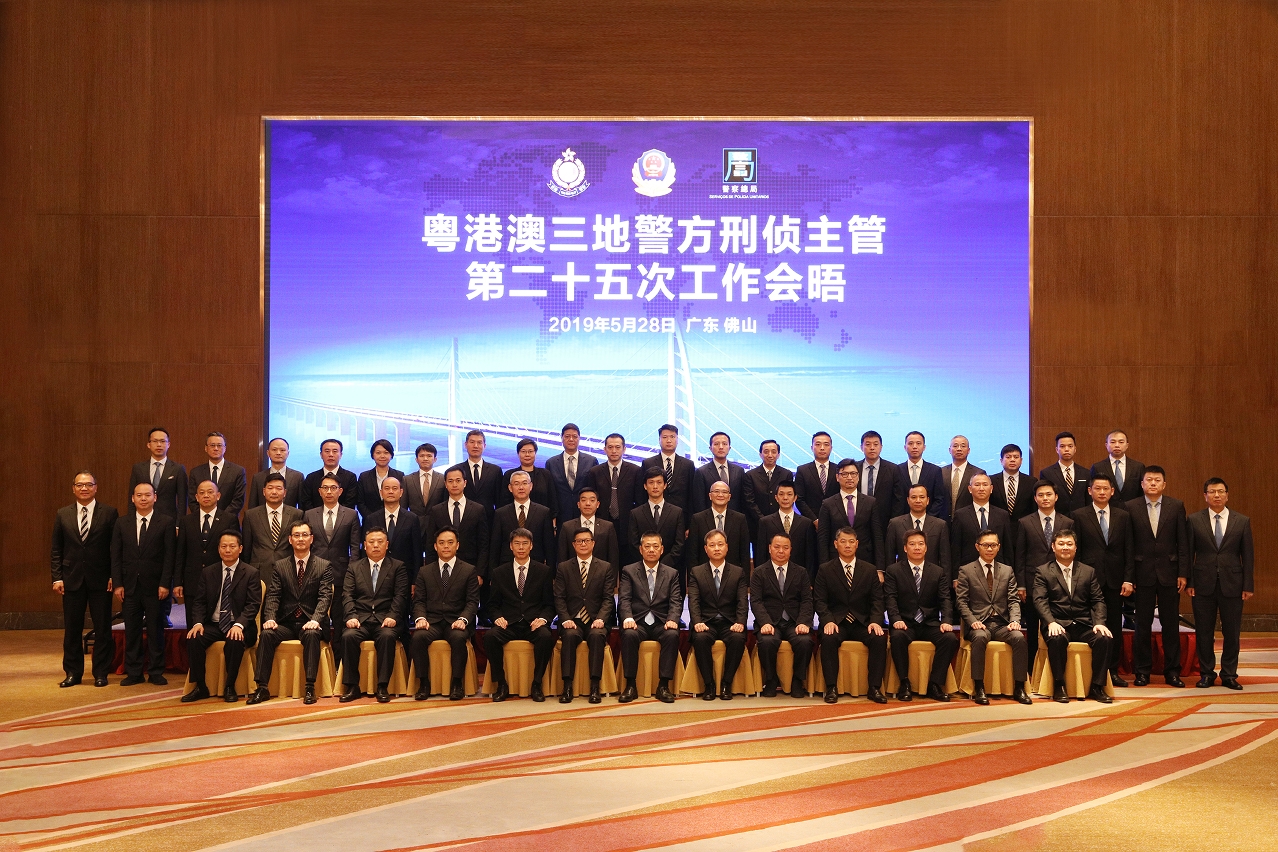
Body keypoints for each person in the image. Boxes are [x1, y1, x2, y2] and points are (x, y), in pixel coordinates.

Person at [247, 521, 332, 706]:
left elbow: (325, 597)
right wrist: (270, 618)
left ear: (311, 539)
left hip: (310, 622)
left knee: (311, 634)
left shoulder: (324, 565)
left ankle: (309, 687)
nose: (300, 539)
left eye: (304, 535)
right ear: (290, 539)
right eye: (296, 535)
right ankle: (262, 687)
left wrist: (316, 620)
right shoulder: (280, 566)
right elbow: (273, 596)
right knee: (267, 634)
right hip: (286, 623)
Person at [51, 471, 119, 688]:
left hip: (101, 580)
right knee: (72, 629)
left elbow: (115, 548)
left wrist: (114, 575)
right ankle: (73, 673)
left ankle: (101, 672)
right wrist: (57, 578)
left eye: (88, 485)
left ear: (96, 487)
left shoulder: (109, 513)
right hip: (71, 579)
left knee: (103, 629)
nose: (84, 488)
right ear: (73, 488)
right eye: (80, 485)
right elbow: (57, 549)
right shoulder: (63, 514)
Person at [1032, 529, 1114, 703]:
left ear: (1076, 547)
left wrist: (1099, 622)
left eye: (1069, 544)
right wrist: (1050, 622)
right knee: (1057, 639)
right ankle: (1059, 685)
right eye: (1061, 544)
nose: (1065, 547)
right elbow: (1040, 600)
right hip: (1057, 624)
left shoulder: (1088, 571)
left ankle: (1097, 687)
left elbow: (1098, 600)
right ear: (1053, 547)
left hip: (1084, 624)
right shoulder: (1043, 571)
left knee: (1104, 638)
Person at [1188, 477, 1254, 690]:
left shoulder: (1241, 521)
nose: (1216, 495)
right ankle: (1206, 674)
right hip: (1202, 584)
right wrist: (1189, 581)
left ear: (1227, 495)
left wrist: (1248, 585)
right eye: (1212, 492)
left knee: (1232, 632)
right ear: (1205, 495)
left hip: (1233, 584)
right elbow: (1188, 554)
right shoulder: (1194, 520)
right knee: (1204, 632)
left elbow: (1248, 555)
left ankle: (1229, 674)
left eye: (1220, 491)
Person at [1126, 465, 1189, 687]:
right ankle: (1142, 671)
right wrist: (1129, 576)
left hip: (1169, 574)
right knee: (1142, 625)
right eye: (1149, 480)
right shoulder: (1130, 507)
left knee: (1170, 624)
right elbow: (1128, 546)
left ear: (1164, 484)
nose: (1153, 483)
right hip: (1141, 574)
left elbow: (1183, 543)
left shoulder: (1176, 506)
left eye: (1157, 480)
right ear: (1142, 484)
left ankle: (1172, 672)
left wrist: (1183, 573)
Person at [181, 530, 261, 703]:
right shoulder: (208, 572)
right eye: (223, 546)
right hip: (214, 624)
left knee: (234, 640)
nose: (227, 550)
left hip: (240, 625)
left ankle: (230, 686)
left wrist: (239, 625)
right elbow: (199, 602)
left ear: (240, 549)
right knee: (194, 638)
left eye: (232, 546)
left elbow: (253, 605)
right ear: (218, 549)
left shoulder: (250, 572)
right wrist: (198, 623)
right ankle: (201, 686)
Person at [1069, 472, 1134, 686]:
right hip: (1088, 580)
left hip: (1115, 580)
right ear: (1090, 491)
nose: (1102, 492)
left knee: (1113, 625)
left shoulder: (1123, 516)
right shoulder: (1079, 515)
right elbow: (1076, 551)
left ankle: (1112, 671)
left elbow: (1129, 549)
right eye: (1097, 488)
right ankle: (1091, 670)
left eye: (1106, 488)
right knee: (1089, 625)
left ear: (1112, 491)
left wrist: (1128, 579)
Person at [954, 531, 1032, 705]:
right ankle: (979, 687)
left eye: (993, 545)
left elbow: (1013, 600)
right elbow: (961, 602)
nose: (989, 549)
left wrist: (1015, 620)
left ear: (998, 547)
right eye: (986, 545)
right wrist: (973, 621)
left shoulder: (1007, 570)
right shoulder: (966, 570)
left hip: (1002, 623)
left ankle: (1019, 687)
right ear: (977, 547)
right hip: (978, 623)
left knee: (1019, 638)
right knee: (980, 638)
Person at [111, 482, 175, 686]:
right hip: (129, 586)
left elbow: (169, 557)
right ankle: (134, 672)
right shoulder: (122, 523)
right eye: (139, 495)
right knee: (132, 630)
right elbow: (116, 556)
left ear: (155, 497)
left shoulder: (165, 522)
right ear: (133, 498)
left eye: (147, 495)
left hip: (156, 587)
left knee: (156, 630)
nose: (143, 498)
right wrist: (118, 584)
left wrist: (165, 583)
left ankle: (156, 671)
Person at [813, 527, 887, 704]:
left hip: (862, 623)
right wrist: (827, 620)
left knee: (879, 638)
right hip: (837, 622)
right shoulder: (825, 570)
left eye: (851, 541)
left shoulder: (869, 570)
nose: (847, 545)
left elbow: (877, 600)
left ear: (857, 544)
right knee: (829, 638)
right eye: (843, 541)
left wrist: (876, 621)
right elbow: (819, 601)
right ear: (835, 544)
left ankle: (874, 688)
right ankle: (831, 687)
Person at [885, 530, 959, 702]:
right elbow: (890, 598)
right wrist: (896, 619)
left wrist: (947, 620)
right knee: (897, 637)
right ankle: (904, 683)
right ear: (905, 548)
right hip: (905, 623)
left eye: (920, 544)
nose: (917, 548)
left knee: (950, 639)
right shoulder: (894, 570)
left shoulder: (937, 571)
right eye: (912, 544)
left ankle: (935, 684)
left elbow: (945, 599)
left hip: (929, 623)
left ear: (926, 548)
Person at [483, 528, 555, 702]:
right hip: (509, 624)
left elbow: (550, 605)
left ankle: (536, 684)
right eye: (517, 543)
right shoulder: (499, 572)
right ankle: (501, 684)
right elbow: (492, 604)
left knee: (546, 637)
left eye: (524, 543)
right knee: (490, 637)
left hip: (533, 624)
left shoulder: (544, 571)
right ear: (511, 546)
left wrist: (543, 619)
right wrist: (497, 617)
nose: (521, 547)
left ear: (531, 546)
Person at [409, 526, 480, 701]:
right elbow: (418, 601)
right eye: (441, 543)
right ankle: (424, 683)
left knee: (458, 637)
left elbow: (472, 602)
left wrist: (463, 619)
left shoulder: (469, 570)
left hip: (456, 621)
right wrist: (420, 618)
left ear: (457, 545)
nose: (446, 546)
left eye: (450, 542)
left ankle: (456, 684)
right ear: (435, 546)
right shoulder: (425, 571)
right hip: (432, 621)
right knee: (418, 637)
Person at [340, 528, 408, 703]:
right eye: (371, 542)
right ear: (365, 545)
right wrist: (351, 616)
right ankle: (352, 686)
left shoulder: (398, 567)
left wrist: (393, 616)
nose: (375, 545)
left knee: (387, 637)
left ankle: (382, 686)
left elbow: (401, 595)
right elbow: (347, 595)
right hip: (361, 619)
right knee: (348, 636)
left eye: (380, 541)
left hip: (386, 619)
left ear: (387, 544)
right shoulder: (354, 567)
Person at [1014, 480, 1075, 667]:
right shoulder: (1025, 522)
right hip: (1032, 582)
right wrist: (1021, 584)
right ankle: (1033, 668)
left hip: (1060, 582)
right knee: (1033, 627)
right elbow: (1020, 556)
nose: (1045, 498)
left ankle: (1056, 666)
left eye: (1049, 494)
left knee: (1057, 626)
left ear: (1056, 497)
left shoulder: (1068, 522)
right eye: (1040, 495)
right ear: (1035, 498)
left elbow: (1072, 554)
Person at [553, 528, 617, 703]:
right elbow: (559, 598)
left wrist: (601, 618)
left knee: (597, 636)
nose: (583, 544)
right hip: (572, 620)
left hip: (596, 619)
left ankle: (595, 687)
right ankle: (567, 687)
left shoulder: (605, 567)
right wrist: (566, 619)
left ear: (593, 543)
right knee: (569, 636)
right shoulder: (564, 567)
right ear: (573, 545)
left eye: (586, 540)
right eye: (579, 541)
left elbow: (608, 598)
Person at [617, 531, 682, 704]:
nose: (651, 550)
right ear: (641, 549)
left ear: (662, 549)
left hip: (661, 622)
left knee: (672, 635)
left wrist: (672, 619)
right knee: (628, 634)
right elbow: (624, 599)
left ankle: (663, 686)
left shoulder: (672, 573)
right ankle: (630, 685)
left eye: (655, 546)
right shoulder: (629, 571)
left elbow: (676, 601)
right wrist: (627, 618)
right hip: (637, 622)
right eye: (647, 546)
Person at [686, 530, 749, 700]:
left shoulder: (738, 572)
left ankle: (727, 683)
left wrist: (740, 622)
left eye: (720, 544)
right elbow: (693, 601)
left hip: (730, 622)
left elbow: (742, 601)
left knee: (738, 638)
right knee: (700, 638)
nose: (716, 548)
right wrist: (697, 622)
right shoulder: (697, 572)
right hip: (706, 622)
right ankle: (709, 684)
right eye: (712, 545)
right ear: (705, 549)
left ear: (727, 547)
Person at [750, 533, 813, 698]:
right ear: (769, 548)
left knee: (805, 641)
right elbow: (756, 601)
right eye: (777, 547)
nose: (781, 551)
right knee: (767, 641)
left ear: (791, 550)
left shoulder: (801, 572)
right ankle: (771, 680)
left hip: (794, 621)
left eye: (785, 548)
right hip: (770, 621)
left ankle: (797, 681)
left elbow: (807, 600)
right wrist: (764, 622)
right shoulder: (759, 572)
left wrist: (803, 622)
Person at [303, 473, 361, 641]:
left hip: (341, 573)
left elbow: (355, 547)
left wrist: (352, 572)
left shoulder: (351, 514)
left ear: (340, 491)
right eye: (325, 488)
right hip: (315, 573)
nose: (329, 491)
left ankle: (338, 655)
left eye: (333, 488)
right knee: (317, 619)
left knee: (339, 618)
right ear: (320, 491)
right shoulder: (309, 514)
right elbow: (306, 545)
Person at [175, 479, 241, 610]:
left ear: (218, 496)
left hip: (221, 579)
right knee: (193, 620)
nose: (206, 495)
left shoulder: (229, 519)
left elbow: (236, 551)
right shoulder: (186, 521)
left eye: (210, 492)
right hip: (192, 581)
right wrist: (177, 582)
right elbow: (180, 553)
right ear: (196, 497)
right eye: (202, 493)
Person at [424, 467, 490, 582]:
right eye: (450, 481)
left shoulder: (478, 509)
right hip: (442, 569)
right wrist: (431, 572)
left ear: (465, 483)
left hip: (471, 568)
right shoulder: (436, 510)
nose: (454, 484)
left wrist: (480, 572)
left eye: (458, 480)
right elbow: (430, 543)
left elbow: (483, 544)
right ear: (445, 484)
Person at [950, 473, 1015, 583]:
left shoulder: (1002, 515)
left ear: (991, 488)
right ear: (970, 489)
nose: (981, 488)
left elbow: (1008, 547)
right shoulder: (960, 515)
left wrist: (1010, 575)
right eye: (977, 485)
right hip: (968, 572)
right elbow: (956, 548)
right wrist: (956, 577)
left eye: (985, 484)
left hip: (998, 572)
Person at [588, 433, 643, 563]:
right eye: (610, 447)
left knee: (627, 564)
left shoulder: (635, 471)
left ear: (624, 449)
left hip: (627, 525)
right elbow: (591, 499)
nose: (614, 451)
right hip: (602, 524)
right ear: (604, 449)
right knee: (603, 563)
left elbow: (640, 500)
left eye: (618, 447)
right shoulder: (595, 472)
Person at [818, 461, 884, 569]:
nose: (849, 477)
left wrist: (880, 568)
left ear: (858, 476)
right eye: (844, 474)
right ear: (837, 477)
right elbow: (823, 539)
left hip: (865, 560)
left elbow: (877, 536)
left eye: (853, 473)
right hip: (835, 561)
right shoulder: (828, 504)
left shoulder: (870, 502)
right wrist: (824, 567)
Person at [242, 473, 303, 586]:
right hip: (258, 573)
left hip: (288, 571)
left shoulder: (296, 514)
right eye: (270, 488)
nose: (274, 492)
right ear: (264, 491)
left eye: (278, 488)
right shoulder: (251, 515)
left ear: (285, 492)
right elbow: (246, 548)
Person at [490, 469, 556, 566]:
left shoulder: (543, 512)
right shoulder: (500, 513)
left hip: (536, 565)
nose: (521, 487)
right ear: (510, 488)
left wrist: (551, 572)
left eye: (525, 483)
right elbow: (495, 546)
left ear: (531, 486)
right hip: (507, 566)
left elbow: (549, 546)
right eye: (516, 484)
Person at [884, 484, 950, 579]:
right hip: (902, 579)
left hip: (932, 579)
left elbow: (945, 559)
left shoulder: (940, 525)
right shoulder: (895, 524)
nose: (918, 500)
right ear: (908, 500)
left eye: (922, 497)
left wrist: (945, 583)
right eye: (914, 497)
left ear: (928, 500)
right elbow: (889, 555)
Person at [755, 482, 818, 580]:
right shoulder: (765, 522)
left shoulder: (806, 523)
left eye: (789, 494)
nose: (785, 498)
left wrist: (809, 580)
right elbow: (761, 553)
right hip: (771, 577)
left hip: (799, 577)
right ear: (776, 497)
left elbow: (810, 556)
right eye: (781, 494)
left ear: (795, 498)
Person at [363, 476, 422, 579]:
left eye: (394, 488)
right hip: (377, 575)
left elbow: (417, 552)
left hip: (405, 575)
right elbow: (365, 550)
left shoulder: (412, 518)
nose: (391, 491)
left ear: (401, 492)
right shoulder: (371, 519)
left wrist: (415, 580)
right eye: (387, 488)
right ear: (381, 492)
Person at [686, 481, 751, 574]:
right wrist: (693, 578)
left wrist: (744, 580)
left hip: (733, 575)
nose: (720, 495)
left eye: (724, 492)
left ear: (729, 497)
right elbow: (693, 553)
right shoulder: (698, 519)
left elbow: (744, 553)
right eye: (716, 491)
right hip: (704, 575)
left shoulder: (740, 519)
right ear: (710, 496)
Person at [628, 468, 686, 571]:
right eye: (651, 482)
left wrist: (662, 565)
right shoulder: (635, 513)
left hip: (670, 569)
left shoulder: (677, 512)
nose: (655, 486)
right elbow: (633, 544)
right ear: (645, 486)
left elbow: (679, 544)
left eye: (659, 482)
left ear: (665, 485)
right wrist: (649, 563)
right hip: (643, 569)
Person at [128, 426, 187, 521]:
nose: (159, 444)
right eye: (155, 441)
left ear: (168, 444)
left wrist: (179, 524)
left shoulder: (178, 469)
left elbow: (182, 500)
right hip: (143, 519)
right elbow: (132, 496)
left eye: (163, 441)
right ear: (148, 444)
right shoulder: (138, 468)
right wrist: (131, 520)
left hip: (169, 519)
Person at [556, 487, 620, 571]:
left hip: (601, 574)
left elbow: (613, 558)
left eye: (592, 500)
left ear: (598, 504)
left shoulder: (607, 527)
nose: (588, 503)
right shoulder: (567, 527)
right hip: (573, 574)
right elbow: (562, 557)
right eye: (583, 500)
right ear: (578, 504)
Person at [546, 423, 598, 526]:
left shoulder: (591, 461)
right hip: (561, 515)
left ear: (579, 438)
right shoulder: (551, 463)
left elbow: (595, 489)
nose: (571, 439)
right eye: (567, 436)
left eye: (574, 436)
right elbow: (550, 492)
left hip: (585, 514)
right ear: (561, 438)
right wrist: (552, 516)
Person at [188, 431, 247, 517]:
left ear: (225, 448)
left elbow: (238, 500)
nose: (216, 448)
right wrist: (206, 517)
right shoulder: (196, 472)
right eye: (212, 445)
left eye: (219, 445)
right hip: (203, 521)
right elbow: (192, 500)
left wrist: (221, 518)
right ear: (206, 448)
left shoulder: (237, 471)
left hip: (228, 521)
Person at [744, 439, 794, 538]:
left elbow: (788, 499)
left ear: (778, 455)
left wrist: (777, 520)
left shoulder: (786, 474)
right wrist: (763, 520)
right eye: (766, 452)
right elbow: (750, 501)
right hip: (757, 525)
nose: (770, 455)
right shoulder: (750, 475)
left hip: (781, 524)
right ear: (760, 454)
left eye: (774, 452)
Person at [640, 423, 695, 511]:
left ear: (677, 440)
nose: (669, 440)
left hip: (681, 513)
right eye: (665, 437)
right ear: (659, 440)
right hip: (655, 512)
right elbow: (642, 493)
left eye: (672, 437)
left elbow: (692, 494)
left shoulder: (688, 465)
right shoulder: (648, 463)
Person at [449, 429, 503, 517]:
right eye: (472, 442)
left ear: (484, 446)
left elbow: (499, 501)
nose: (475, 446)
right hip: (463, 518)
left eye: (479, 442)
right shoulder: (456, 470)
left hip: (488, 519)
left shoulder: (495, 471)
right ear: (465, 445)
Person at [692, 432, 747, 515]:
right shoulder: (701, 472)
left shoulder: (739, 471)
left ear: (729, 448)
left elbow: (743, 499)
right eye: (716, 444)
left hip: (735, 518)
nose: (721, 447)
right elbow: (699, 501)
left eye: (724, 444)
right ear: (710, 448)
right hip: (709, 518)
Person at [857, 430, 902, 533]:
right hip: (858, 521)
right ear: (861, 447)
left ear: (881, 447)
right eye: (868, 444)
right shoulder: (854, 468)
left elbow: (898, 499)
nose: (872, 447)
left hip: (885, 522)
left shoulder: (893, 469)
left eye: (876, 444)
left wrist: (893, 523)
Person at [499, 438, 558, 517]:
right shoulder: (509, 475)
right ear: (518, 454)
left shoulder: (545, 474)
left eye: (530, 451)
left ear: (535, 453)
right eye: (523, 451)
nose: (527, 455)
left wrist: (553, 520)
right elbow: (504, 502)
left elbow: (553, 501)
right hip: (515, 518)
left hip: (542, 519)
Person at [1039, 431, 1090, 514]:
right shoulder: (1047, 473)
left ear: (1075, 449)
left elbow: (1088, 499)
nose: (1066, 449)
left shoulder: (1086, 473)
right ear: (1057, 449)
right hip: (1057, 518)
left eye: (1070, 446)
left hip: (1081, 517)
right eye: (1062, 446)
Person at [896, 431, 946, 518]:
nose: (914, 446)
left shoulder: (935, 470)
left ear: (924, 447)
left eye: (918, 443)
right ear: (905, 447)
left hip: (928, 520)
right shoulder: (897, 470)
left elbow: (939, 499)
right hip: (902, 521)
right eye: (910, 443)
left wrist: (926, 519)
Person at [301, 438, 359, 511]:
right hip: (315, 517)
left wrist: (335, 515)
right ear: (321, 455)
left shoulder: (350, 477)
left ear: (341, 455)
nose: (331, 455)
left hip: (343, 517)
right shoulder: (311, 478)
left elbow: (350, 503)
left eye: (335, 451)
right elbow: (306, 502)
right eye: (327, 451)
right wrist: (319, 515)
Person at [1090, 429, 1145, 505]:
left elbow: (1142, 492)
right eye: (1113, 442)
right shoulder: (1098, 467)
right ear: (1106, 445)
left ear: (1127, 445)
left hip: (1132, 509)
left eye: (1121, 442)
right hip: (1107, 509)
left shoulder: (1138, 467)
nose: (1117, 445)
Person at [248, 437, 304, 510]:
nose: (278, 453)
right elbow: (252, 506)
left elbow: (302, 505)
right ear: (268, 453)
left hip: (291, 517)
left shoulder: (297, 477)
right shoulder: (258, 478)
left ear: (288, 453)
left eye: (282, 450)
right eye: (274, 450)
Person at [356, 439, 405, 522]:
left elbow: (403, 501)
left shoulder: (399, 475)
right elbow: (360, 503)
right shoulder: (364, 477)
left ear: (391, 455)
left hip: (394, 522)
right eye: (378, 453)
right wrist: (372, 519)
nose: (382, 456)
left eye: (386, 452)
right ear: (372, 455)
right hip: (370, 523)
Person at [939, 435, 984, 522]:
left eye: (963, 446)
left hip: (968, 521)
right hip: (943, 521)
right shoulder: (940, 472)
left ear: (968, 450)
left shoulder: (978, 473)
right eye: (955, 446)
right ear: (949, 450)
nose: (959, 449)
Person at [794, 431, 837, 521]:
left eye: (826, 444)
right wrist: (814, 520)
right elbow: (799, 499)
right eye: (818, 444)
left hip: (835, 520)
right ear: (812, 448)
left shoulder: (838, 470)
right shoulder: (802, 470)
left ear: (831, 448)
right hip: (810, 522)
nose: (822, 448)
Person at [990, 444, 1036, 521]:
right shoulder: (991, 481)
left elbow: (1034, 508)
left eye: (1016, 457)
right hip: (997, 524)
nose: (1012, 460)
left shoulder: (1031, 482)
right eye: (1008, 457)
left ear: (1021, 460)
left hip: (1023, 525)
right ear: (1001, 461)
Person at [403, 442, 446, 519]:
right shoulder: (407, 479)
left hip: (437, 522)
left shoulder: (442, 479)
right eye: (422, 456)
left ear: (435, 459)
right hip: (414, 522)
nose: (425, 459)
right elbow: (403, 506)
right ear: (416, 459)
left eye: (429, 456)